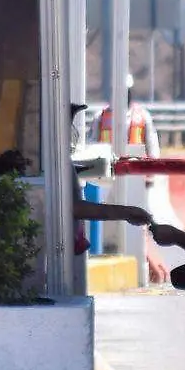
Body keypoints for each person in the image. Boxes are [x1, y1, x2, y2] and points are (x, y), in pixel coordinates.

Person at [70, 103, 170, 284]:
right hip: (101, 173)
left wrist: (150, 173)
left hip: (130, 174)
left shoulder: (142, 115)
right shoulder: (101, 115)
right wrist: (125, 213)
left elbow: (152, 145)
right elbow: (78, 208)